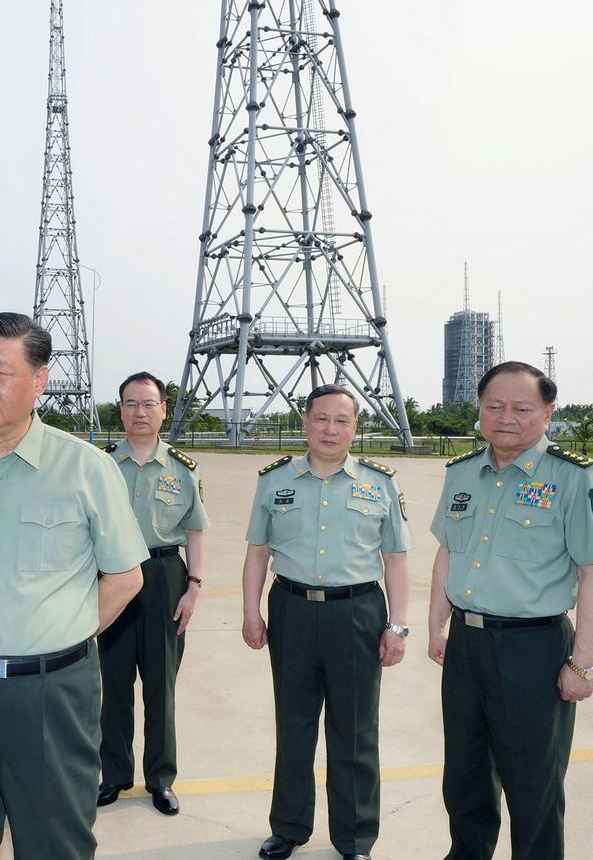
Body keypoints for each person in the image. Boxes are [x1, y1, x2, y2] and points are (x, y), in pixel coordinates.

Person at [0, 312, 149, 860]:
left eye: (0, 371)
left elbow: (126, 577)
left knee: (53, 844)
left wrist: (61, 634)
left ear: (39, 382)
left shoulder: (86, 468)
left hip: (50, 693)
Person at [427, 361, 593, 860]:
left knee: (533, 783)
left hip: (534, 649)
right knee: (465, 775)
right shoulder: (462, 473)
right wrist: (437, 624)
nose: (506, 417)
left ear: (548, 411)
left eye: (522, 408)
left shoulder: (572, 479)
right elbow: (447, 553)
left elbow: (591, 573)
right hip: (467, 643)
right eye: (493, 406)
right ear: (478, 410)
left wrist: (583, 662)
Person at [242, 384, 411, 860]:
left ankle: (354, 839)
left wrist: (398, 626)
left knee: (355, 730)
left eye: (342, 420)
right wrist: (250, 610)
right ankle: (289, 827)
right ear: (305, 422)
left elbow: (396, 559)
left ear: (355, 426)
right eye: (321, 419)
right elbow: (257, 551)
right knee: (293, 724)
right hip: (292, 610)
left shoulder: (380, 482)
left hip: (357, 613)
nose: (331, 429)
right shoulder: (275, 481)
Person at [96, 371, 209, 816]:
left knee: (161, 686)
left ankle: (160, 779)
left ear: (164, 409)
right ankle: (115, 775)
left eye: (148, 403)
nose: (139, 412)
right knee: (114, 684)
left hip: (165, 577)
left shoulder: (182, 470)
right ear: (120, 410)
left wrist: (193, 589)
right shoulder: (101, 464)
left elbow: (196, 532)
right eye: (130, 403)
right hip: (112, 577)